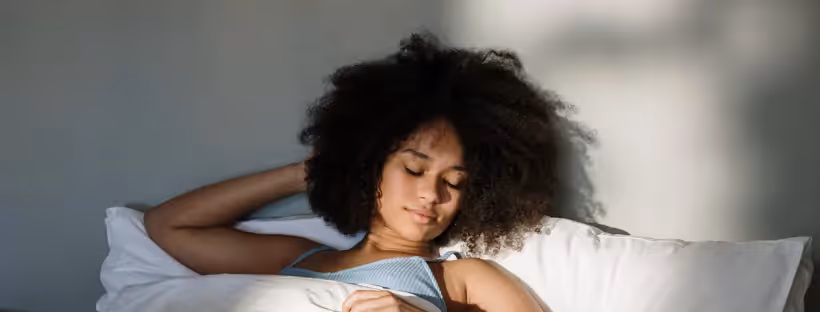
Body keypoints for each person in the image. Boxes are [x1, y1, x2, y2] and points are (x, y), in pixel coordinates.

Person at [146, 33, 582, 312]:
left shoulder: (463, 277)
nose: (432, 194)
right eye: (414, 168)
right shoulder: (297, 258)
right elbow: (168, 227)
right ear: (370, 165)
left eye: (454, 182)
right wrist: (316, 170)